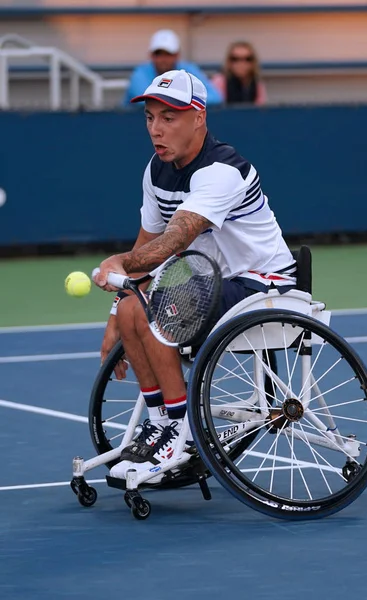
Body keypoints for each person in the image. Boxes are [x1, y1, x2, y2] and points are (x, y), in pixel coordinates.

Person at [95, 69, 296, 481]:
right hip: (205, 283)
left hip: (264, 285)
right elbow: (145, 252)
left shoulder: (223, 170)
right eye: (150, 118)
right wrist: (117, 315)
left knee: (158, 310)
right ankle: (163, 426)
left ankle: (182, 432)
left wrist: (119, 262)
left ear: (199, 118)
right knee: (136, 307)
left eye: (169, 118)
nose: (156, 129)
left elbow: (175, 237)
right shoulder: (156, 171)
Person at [123, 29, 222, 107]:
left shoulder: (188, 69)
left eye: (168, 54)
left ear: (177, 55)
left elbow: (215, 97)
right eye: (158, 54)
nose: (163, 59)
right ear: (151, 55)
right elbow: (147, 102)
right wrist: (186, 100)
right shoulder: (140, 73)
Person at [211, 41, 267, 106]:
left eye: (247, 59)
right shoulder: (220, 81)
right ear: (229, 62)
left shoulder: (257, 84)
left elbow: (259, 110)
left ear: (253, 62)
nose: (241, 64)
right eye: (235, 59)